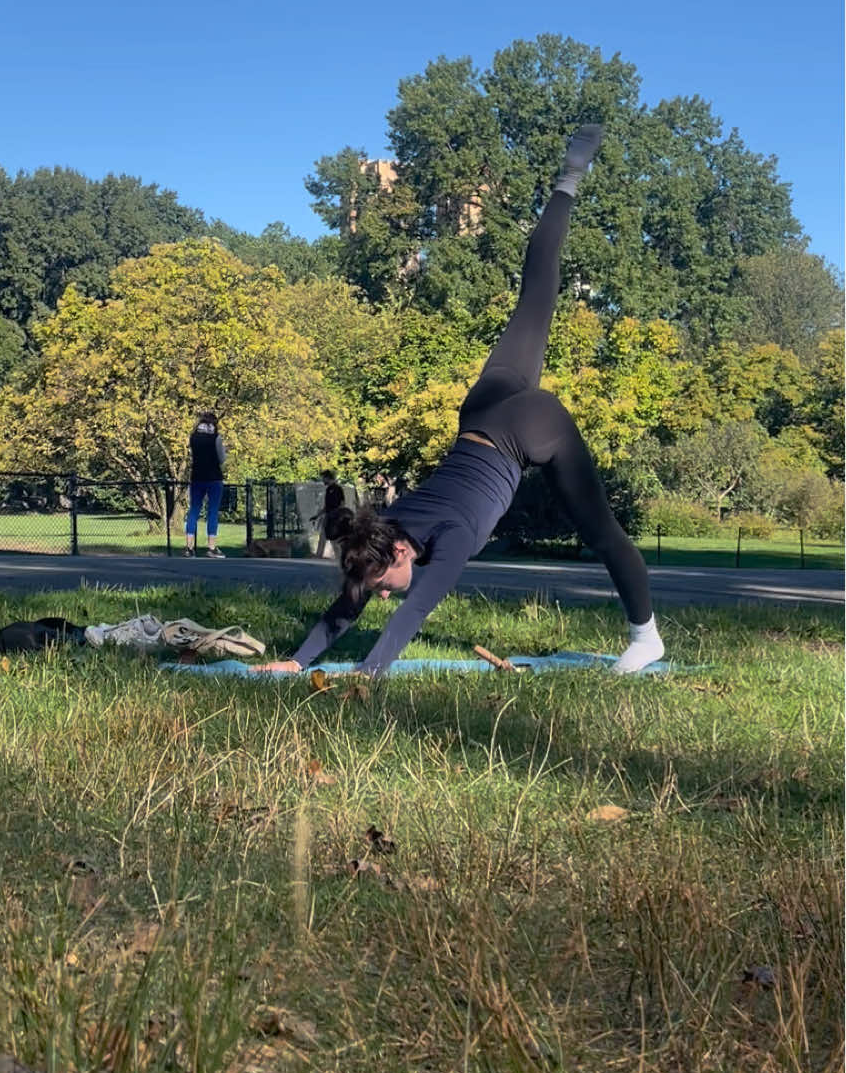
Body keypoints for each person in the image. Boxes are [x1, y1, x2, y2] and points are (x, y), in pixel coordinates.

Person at [255, 126, 666, 677]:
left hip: (527, 428)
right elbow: (348, 604)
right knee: (536, 293)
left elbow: (412, 613)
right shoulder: (378, 533)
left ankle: (647, 637)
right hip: (483, 408)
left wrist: (368, 673)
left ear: (400, 555)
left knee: (601, 532)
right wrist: (295, 661)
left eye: (383, 586)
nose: (382, 597)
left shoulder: (444, 544)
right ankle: (569, 178)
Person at [185, 412, 227, 557]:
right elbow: (222, 458)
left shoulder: (193, 437)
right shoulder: (216, 438)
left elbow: (193, 456)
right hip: (214, 477)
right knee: (212, 512)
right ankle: (211, 548)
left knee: (194, 511)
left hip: (197, 477)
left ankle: (189, 548)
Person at [314, 470, 346, 559]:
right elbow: (326, 506)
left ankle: (339, 556)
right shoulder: (328, 489)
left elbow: (342, 503)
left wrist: (339, 515)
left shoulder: (338, 489)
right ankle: (319, 555)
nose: (323, 480)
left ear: (328, 478)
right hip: (328, 516)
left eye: (323, 478)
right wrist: (317, 515)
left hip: (335, 516)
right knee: (323, 534)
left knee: (334, 536)